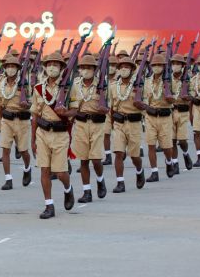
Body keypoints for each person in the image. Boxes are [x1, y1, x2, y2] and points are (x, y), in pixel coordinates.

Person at [30, 52, 74, 219]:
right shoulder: (39, 89)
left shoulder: (69, 87)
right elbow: (35, 115)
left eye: (56, 64)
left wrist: (67, 112)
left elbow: (76, 110)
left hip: (60, 134)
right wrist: (32, 139)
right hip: (42, 132)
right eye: (49, 64)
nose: (52, 67)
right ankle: (49, 205)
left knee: (61, 172)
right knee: (45, 170)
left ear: (62, 68)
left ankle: (68, 189)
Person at [67, 54, 108, 202]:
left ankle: (100, 179)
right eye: (83, 67)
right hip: (81, 124)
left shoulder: (102, 84)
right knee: (83, 160)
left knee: (96, 160)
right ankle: (87, 192)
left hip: (97, 124)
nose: (85, 70)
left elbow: (108, 105)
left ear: (94, 69)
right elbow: (71, 104)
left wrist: (106, 108)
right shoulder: (75, 84)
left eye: (89, 67)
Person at [108, 56, 146, 192]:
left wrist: (140, 103)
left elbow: (145, 106)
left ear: (132, 70)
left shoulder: (139, 86)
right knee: (118, 153)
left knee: (134, 156)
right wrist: (112, 124)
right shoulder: (113, 87)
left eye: (127, 67)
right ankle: (120, 182)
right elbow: (111, 108)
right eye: (122, 67)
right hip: (119, 123)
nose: (124, 69)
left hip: (134, 124)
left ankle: (139, 170)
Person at [0, 54, 33, 190]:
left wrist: (26, 105)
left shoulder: (25, 84)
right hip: (7, 120)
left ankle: (27, 168)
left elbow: (31, 103)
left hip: (22, 120)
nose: (10, 69)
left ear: (18, 69)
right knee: (5, 149)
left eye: (13, 67)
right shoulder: (0, 85)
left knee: (23, 151)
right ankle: (8, 179)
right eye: (8, 66)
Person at [142, 54, 176, 180]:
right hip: (150, 116)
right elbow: (145, 99)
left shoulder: (169, 80)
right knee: (151, 145)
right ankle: (154, 171)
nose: (157, 67)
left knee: (167, 146)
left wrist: (171, 98)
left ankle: (169, 162)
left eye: (159, 65)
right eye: (154, 65)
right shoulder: (147, 81)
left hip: (165, 117)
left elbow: (176, 97)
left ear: (164, 67)